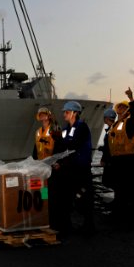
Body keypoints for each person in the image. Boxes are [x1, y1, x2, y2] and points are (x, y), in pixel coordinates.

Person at [54, 100, 95, 235]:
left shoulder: (82, 127)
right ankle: (67, 225)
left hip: (81, 168)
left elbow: (73, 145)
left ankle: (88, 225)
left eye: (67, 112)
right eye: (64, 112)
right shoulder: (65, 129)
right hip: (69, 168)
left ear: (75, 113)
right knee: (67, 196)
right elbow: (62, 147)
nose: (64, 114)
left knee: (83, 196)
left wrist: (60, 140)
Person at [108, 87, 134, 226]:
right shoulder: (116, 125)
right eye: (119, 108)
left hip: (127, 161)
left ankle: (130, 220)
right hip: (116, 161)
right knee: (119, 190)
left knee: (129, 190)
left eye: (123, 108)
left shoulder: (130, 124)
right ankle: (119, 217)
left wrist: (131, 99)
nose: (120, 110)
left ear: (127, 111)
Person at [32, 107, 62, 231]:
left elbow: (60, 144)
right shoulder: (38, 131)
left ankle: (54, 220)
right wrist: (32, 162)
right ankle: (44, 215)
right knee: (42, 191)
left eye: (44, 114)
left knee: (53, 193)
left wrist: (58, 162)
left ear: (49, 116)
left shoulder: (54, 129)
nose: (42, 116)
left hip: (52, 166)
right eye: (40, 115)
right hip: (41, 167)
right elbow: (35, 149)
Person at [99, 108, 117, 189]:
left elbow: (109, 147)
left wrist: (103, 159)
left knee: (110, 181)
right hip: (113, 160)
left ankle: (117, 199)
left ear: (106, 118)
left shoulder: (112, 130)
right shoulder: (113, 129)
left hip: (110, 161)